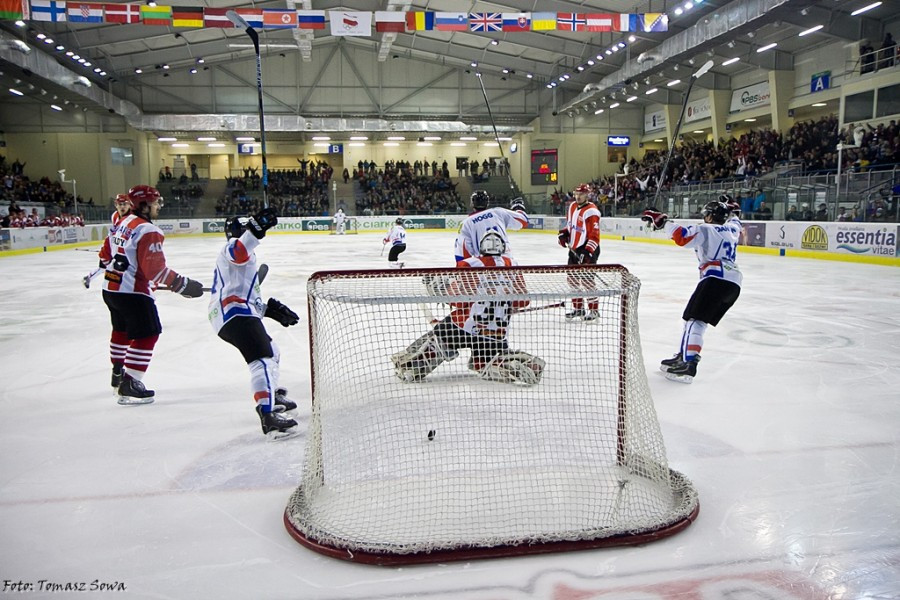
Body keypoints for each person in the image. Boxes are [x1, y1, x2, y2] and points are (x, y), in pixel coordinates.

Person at [391, 231, 545, 385]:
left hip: (464, 326)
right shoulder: (512, 264)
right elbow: (523, 301)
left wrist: (443, 289)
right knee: (482, 364)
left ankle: (411, 367)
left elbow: (459, 300)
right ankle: (514, 366)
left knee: (440, 339)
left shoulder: (471, 264)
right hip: (496, 333)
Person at [98, 185, 204, 404]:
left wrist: (128, 273)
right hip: (132, 293)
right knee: (148, 333)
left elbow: (105, 256)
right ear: (144, 205)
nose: (158, 206)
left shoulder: (122, 222)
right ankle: (130, 382)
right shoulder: (148, 230)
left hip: (111, 288)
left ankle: (118, 371)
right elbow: (155, 271)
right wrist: (183, 285)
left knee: (121, 330)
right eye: (155, 203)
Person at [209, 208, 301, 440]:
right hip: (235, 314)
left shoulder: (242, 260)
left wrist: (268, 310)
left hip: (234, 313)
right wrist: (254, 232)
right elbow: (238, 252)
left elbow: (242, 294)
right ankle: (268, 416)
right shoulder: (232, 248)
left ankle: (271, 394)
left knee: (273, 351)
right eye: (245, 229)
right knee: (262, 361)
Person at [641, 197, 742, 384]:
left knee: (696, 321)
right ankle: (684, 355)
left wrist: (662, 220)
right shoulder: (733, 228)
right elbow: (736, 217)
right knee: (692, 319)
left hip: (715, 278)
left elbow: (682, 237)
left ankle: (689, 364)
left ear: (710, 217)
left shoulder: (706, 229)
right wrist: (732, 208)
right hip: (734, 282)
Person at [558, 183, 601, 321]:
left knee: (587, 281)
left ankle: (594, 311)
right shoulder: (572, 206)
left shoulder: (592, 211)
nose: (578, 197)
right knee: (572, 279)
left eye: (581, 194)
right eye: (576, 194)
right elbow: (570, 226)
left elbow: (595, 235)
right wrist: (564, 234)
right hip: (574, 249)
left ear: (587, 195)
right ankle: (579, 309)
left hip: (588, 249)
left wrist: (588, 252)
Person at [454, 191, 528, 262]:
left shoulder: (466, 223)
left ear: (472, 204)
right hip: (506, 263)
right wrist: (517, 206)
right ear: (487, 202)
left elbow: (462, 255)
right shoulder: (498, 212)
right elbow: (523, 221)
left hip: (484, 265)